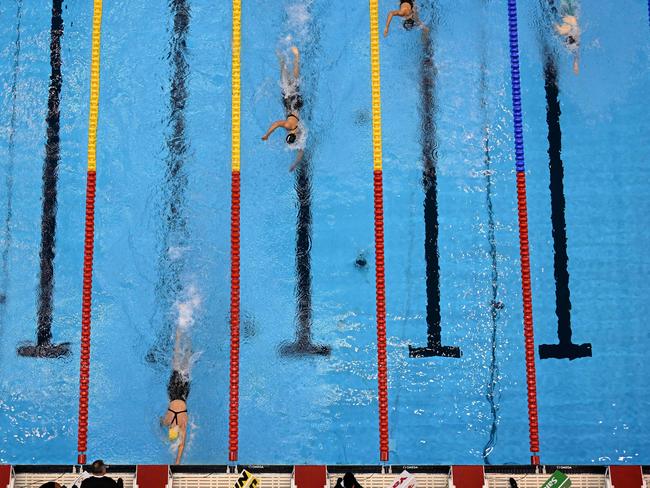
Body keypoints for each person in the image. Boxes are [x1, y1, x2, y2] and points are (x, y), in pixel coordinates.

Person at [261, 46, 305, 172]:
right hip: (289, 102)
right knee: (286, 80)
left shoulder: (301, 133)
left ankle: (295, 58)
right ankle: (285, 59)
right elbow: (276, 124)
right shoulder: (288, 125)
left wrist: (295, 164)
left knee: (296, 83)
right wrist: (267, 134)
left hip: (298, 105)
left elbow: (301, 151)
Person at [161, 322, 192, 464]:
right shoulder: (168, 420)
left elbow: (181, 445)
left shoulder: (183, 423)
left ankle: (189, 332)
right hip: (173, 392)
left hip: (184, 393)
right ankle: (180, 330)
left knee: (186, 362)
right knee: (176, 359)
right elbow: (160, 423)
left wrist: (177, 462)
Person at [554, 0, 580, 74]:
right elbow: (552, 22)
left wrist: (576, 63)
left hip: (572, 14)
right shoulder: (562, 31)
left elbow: (577, 50)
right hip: (566, 12)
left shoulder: (576, 34)